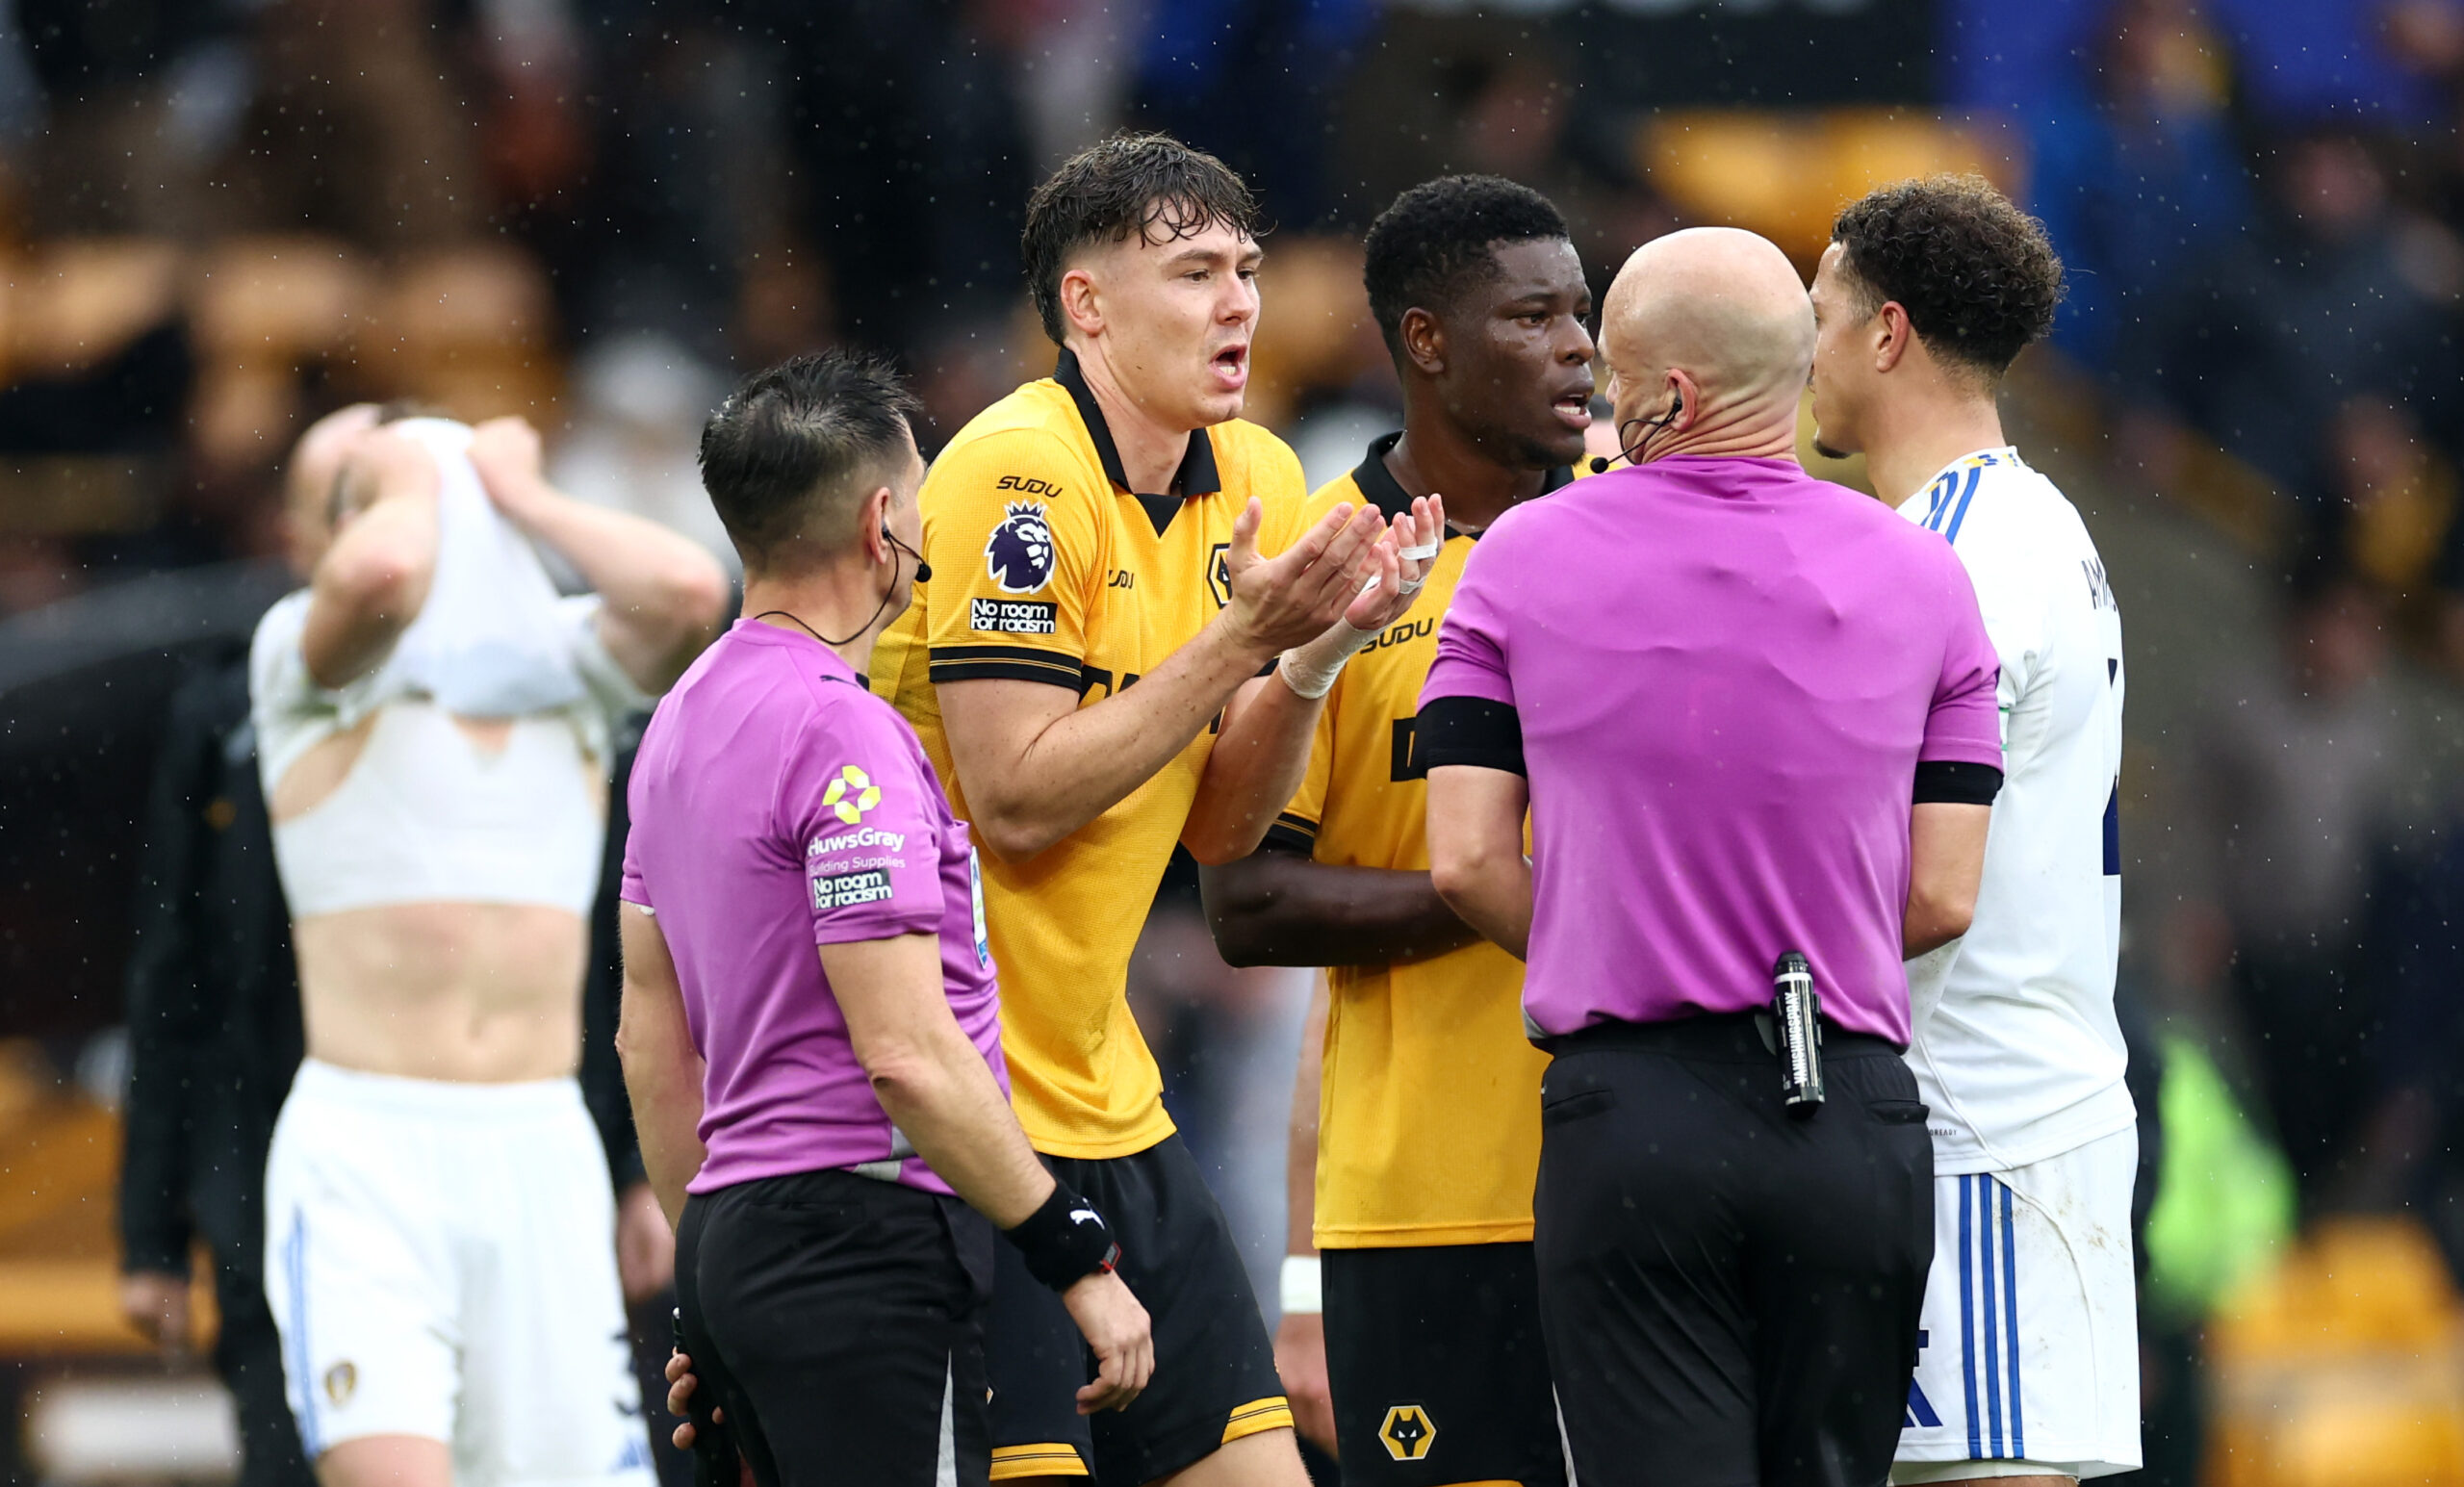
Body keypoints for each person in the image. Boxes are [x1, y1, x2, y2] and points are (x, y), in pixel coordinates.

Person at [863, 131, 1438, 1486]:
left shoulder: (1259, 479)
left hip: (1112, 1096)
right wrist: (1244, 644)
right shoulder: (1019, 478)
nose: (1239, 301)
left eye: (1244, 268)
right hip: (961, 1116)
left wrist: (1309, 656)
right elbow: (1012, 801)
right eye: (1192, 272)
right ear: (1086, 306)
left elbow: (1222, 831)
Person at [1420, 225, 2004, 1487]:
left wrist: (1624, 933)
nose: (1606, 405)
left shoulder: (1519, 555)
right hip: (1851, 1118)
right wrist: (1792, 945)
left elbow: (1464, 863)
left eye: (1619, 379)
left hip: (1636, 1123)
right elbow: (1946, 892)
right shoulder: (1929, 577)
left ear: (1670, 395)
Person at [617, 350, 1153, 1487]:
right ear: (880, 524)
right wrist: (1074, 1254)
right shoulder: (843, 732)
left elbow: (648, 1047)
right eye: (917, 501)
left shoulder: (673, 724)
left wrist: (712, 1274)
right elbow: (907, 1053)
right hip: (868, 1242)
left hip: (733, 1235)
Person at [250, 403, 728, 1487]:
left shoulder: (561, 661)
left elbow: (693, 591)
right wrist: (414, 469)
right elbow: (375, 579)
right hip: (370, 1150)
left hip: (537, 1152)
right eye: (360, 492)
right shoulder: (299, 658)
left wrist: (525, 496)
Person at [1197, 174, 1591, 1485]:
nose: (1578, 346)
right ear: (1427, 341)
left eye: (1581, 314)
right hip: (1424, 1200)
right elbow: (1247, 901)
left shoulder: (1639, 526)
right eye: (1533, 317)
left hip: (1644, 1182)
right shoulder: (1326, 570)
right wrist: (1500, 890)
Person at [1808, 175, 2141, 1485]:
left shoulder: (1955, 560)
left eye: (1821, 315)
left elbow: (1918, 878)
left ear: (1886, 332)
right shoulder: (2028, 520)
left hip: (1978, 1129)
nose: (1806, 353)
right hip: (2007, 1110)